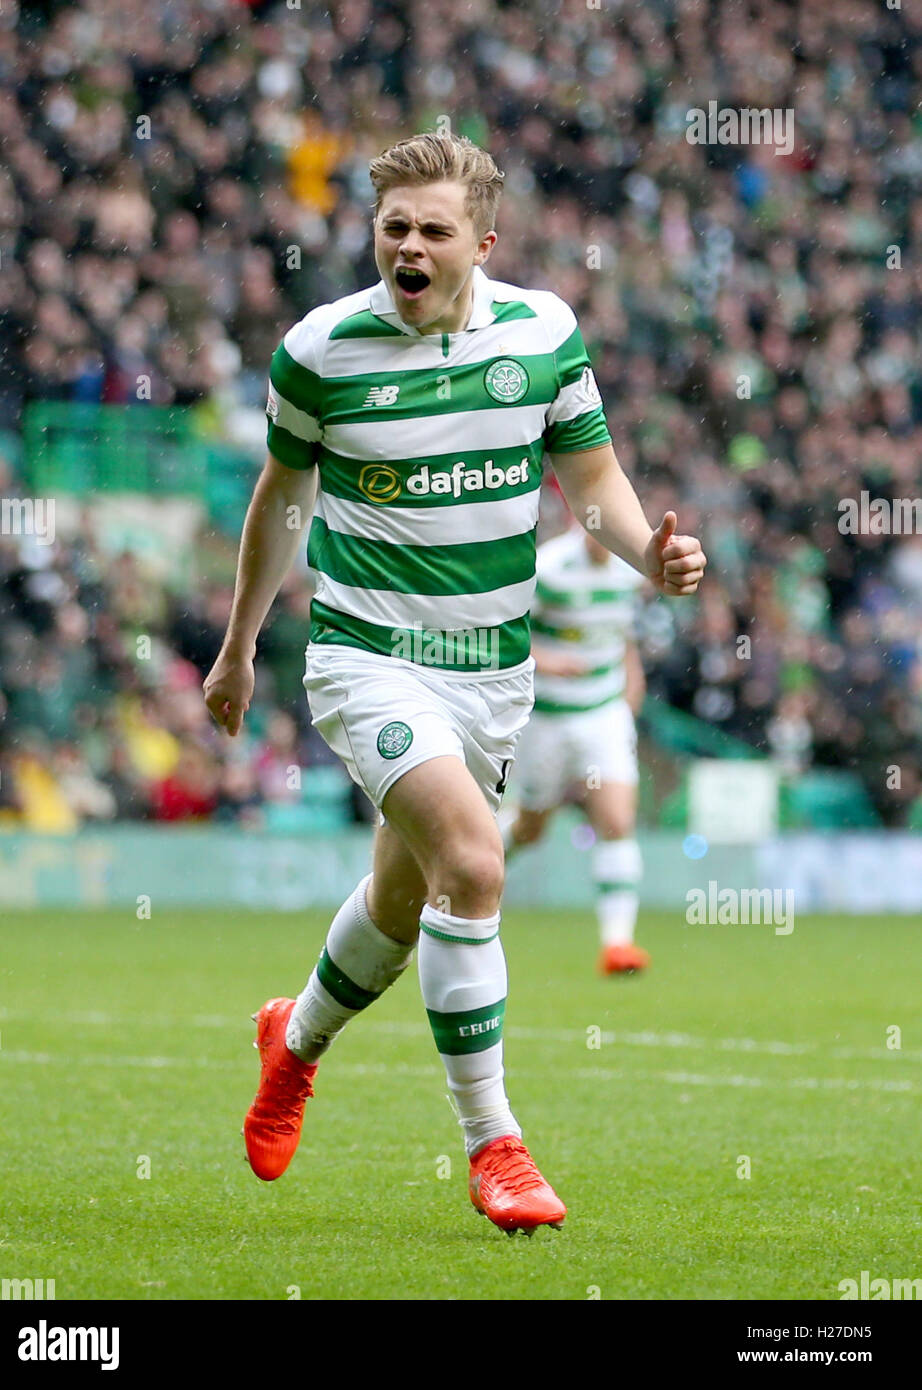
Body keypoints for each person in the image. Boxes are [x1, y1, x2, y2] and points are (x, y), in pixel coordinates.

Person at [203, 132, 706, 1235]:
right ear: (374, 235)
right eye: (394, 227)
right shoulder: (321, 349)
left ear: (482, 241)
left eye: (433, 229)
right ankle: (497, 1145)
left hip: (491, 673)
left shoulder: (543, 334)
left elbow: (593, 480)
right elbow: (281, 501)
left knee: (400, 901)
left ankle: (292, 1044)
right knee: (476, 865)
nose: (410, 246)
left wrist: (647, 556)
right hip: (367, 659)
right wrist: (241, 643)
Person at [500, 523, 650, 976]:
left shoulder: (630, 570)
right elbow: (508, 630)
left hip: (603, 712)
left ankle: (618, 944)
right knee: (531, 829)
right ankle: (465, 872)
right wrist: (547, 661)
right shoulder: (549, 568)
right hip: (547, 717)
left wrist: (632, 687)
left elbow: (621, 636)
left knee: (617, 821)